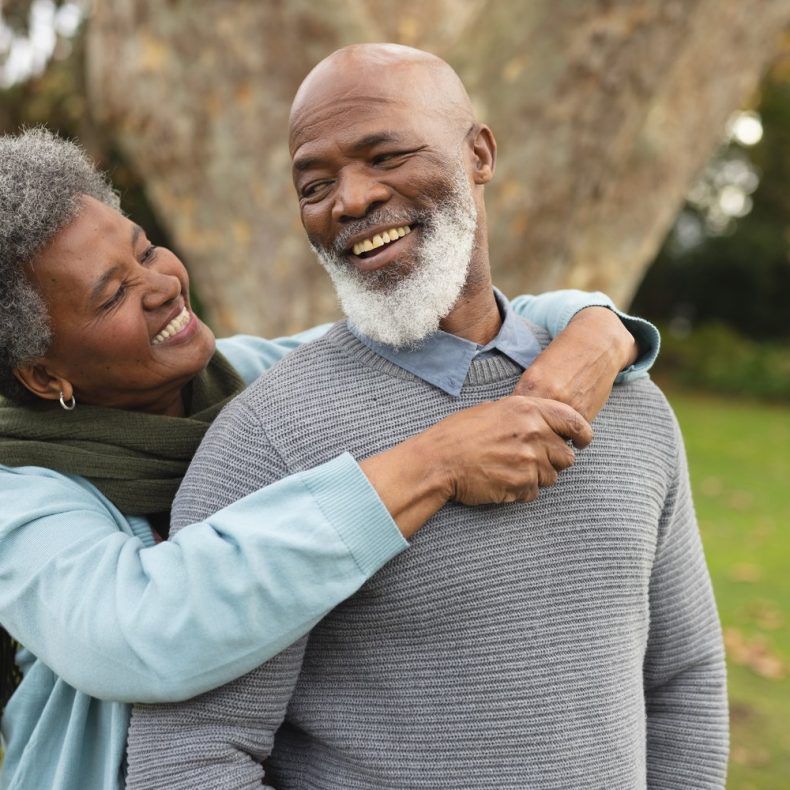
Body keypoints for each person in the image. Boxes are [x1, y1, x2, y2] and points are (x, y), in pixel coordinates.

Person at [127, 44, 728, 790]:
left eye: (385, 155)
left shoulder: (630, 402)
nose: (349, 200)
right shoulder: (264, 442)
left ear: (479, 152)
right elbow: (189, 756)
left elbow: (684, 680)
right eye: (314, 184)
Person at [0, 126, 658, 790]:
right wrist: (433, 464)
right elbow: (141, 633)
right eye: (112, 294)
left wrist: (598, 327)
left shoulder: (253, 383)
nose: (161, 284)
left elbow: (451, 321)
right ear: (42, 375)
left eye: (145, 250)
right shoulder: (19, 496)